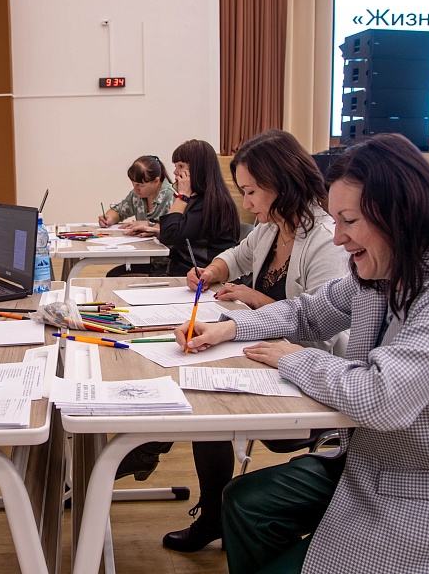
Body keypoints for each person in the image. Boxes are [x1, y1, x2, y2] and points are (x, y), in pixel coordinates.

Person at [176, 133, 429, 573]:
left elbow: (383, 397)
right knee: (243, 502)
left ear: (402, 214)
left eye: (349, 221)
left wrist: (292, 357)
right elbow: (306, 312)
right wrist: (229, 327)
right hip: (368, 462)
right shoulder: (379, 276)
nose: (338, 238)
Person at [124, 131, 349, 554]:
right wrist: (212, 272)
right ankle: (209, 511)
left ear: (281, 184)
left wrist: (254, 299)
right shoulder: (272, 227)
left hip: (306, 369)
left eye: (251, 191)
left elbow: (322, 327)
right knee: (200, 384)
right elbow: (237, 256)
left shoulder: (326, 240)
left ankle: (156, 459)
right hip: (265, 350)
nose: (246, 203)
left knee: (204, 397)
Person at [156, 139, 240, 275]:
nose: (175, 172)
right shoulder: (199, 199)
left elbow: (169, 235)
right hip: (184, 272)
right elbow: (175, 232)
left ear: (197, 169)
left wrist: (182, 195)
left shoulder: (211, 204)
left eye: (180, 166)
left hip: (199, 276)